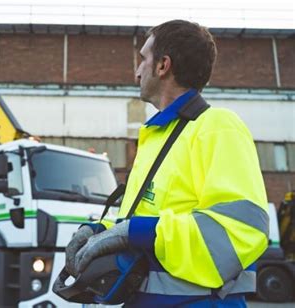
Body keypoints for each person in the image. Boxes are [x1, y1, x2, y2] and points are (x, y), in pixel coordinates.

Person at [65, 20, 269, 307]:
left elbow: (240, 230)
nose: (136, 72)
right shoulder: (156, 137)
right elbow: (151, 216)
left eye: (142, 60)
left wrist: (133, 232)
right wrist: (100, 230)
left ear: (163, 66)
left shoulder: (216, 126)